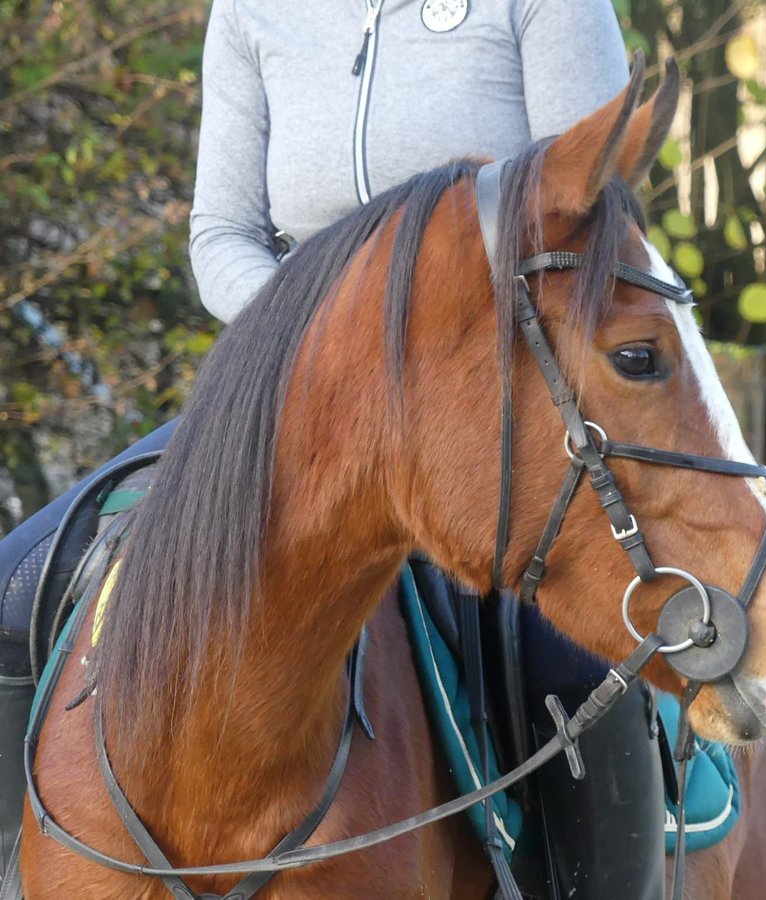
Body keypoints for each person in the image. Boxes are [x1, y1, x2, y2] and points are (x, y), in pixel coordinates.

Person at [0, 1, 665, 896]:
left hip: (481, 398)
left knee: (578, 658)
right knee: (15, 585)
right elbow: (220, 237)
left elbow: (593, 235)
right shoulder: (252, 11)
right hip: (279, 389)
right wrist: (328, 347)